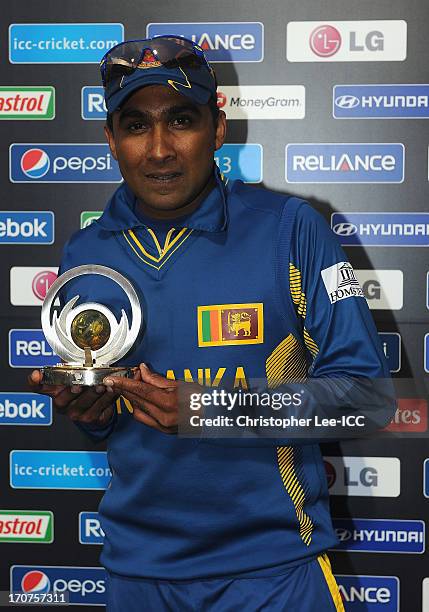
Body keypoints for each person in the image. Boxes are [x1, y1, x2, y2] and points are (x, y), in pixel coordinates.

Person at [29, 35, 394, 611]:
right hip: (138, 574)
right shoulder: (84, 253)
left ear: (217, 128)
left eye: (181, 120)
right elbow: (109, 422)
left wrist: (209, 409)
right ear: (110, 140)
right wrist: (89, 410)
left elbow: (368, 399)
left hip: (274, 572)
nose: (159, 150)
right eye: (135, 125)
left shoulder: (292, 229)